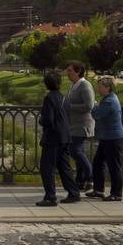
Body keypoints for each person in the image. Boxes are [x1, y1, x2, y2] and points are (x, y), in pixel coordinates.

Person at [37, 70, 80, 206]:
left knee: (47, 167)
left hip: (53, 137)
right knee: (64, 166)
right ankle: (74, 192)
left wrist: (41, 120)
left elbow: (48, 120)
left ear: (46, 84)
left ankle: (50, 196)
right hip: (65, 136)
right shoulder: (63, 97)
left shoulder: (49, 98)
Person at [88, 75, 123, 201]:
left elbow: (97, 114)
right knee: (98, 163)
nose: (98, 89)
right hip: (107, 137)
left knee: (114, 166)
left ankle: (117, 193)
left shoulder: (109, 101)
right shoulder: (108, 99)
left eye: (100, 87)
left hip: (113, 138)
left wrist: (93, 105)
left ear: (108, 87)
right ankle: (99, 190)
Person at [64, 60, 96, 193]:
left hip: (82, 125)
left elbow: (89, 106)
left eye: (70, 71)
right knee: (79, 152)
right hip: (74, 124)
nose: (67, 73)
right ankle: (80, 181)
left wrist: (69, 107)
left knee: (75, 151)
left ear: (78, 72)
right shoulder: (74, 85)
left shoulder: (84, 85)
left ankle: (91, 176)